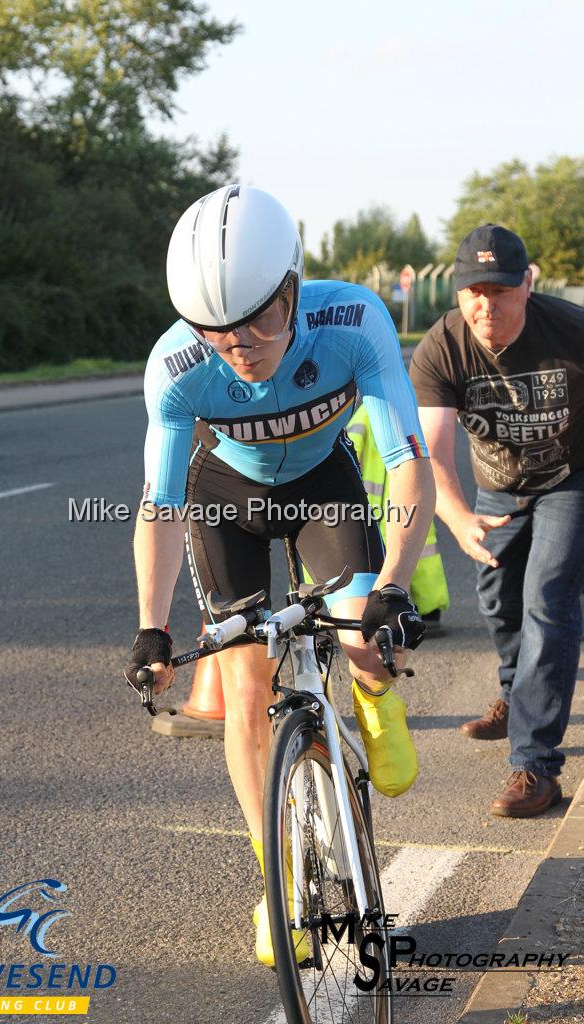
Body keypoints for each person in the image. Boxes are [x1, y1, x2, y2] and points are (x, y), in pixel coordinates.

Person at [128, 184, 435, 965]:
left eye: (261, 318)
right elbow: (159, 506)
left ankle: (370, 692)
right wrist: (151, 627)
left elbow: (406, 464)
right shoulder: (175, 365)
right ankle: (278, 885)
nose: (240, 344)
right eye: (216, 329)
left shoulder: (351, 320)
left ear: (293, 284)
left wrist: (394, 585)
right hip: (223, 498)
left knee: (363, 626)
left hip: (323, 490)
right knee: (244, 693)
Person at [409, 224, 584, 818]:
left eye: (501, 290)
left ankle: (535, 766)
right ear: (458, 292)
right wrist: (456, 517)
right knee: (498, 599)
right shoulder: (442, 348)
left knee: (547, 598)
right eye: (473, 290)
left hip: (571, 478)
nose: (487, 304)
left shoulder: (570, 330)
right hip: (498, 489)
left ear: (526, 285)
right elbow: (429, 450)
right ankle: (515, 694)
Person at [347, 401, 450, 633]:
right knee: (423, 553)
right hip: (409, 500)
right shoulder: (411, 413)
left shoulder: (366, 414)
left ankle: (367, 612)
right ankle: (430, 609)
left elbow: (349, 451)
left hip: (374, 508)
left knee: (375, 561)